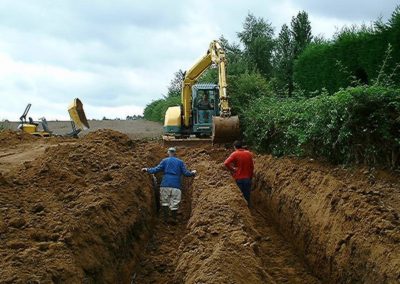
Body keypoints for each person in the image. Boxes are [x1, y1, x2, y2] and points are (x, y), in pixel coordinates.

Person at [142, 147, 196, 223]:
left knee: (164, 202)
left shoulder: (164, 161)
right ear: (175, 153)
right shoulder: (180, 162)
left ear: (168, 153)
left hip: (165, 184)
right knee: (175, 203)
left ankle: (165, 219)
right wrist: (193, 173)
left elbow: (156, 169)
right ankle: (173, 219)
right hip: (176, 185)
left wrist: (147, 169)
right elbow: (186, 173)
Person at [224, 140, 254, 207]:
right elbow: (252, 167)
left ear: (234, 147)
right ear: (242, 146)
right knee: (247, 196)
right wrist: (250, 176)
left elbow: (226, 163)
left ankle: (242, 211)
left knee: (240, 196)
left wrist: (233, 169)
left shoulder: (235, 154)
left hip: (238, 178)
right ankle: (248, 209)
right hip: (247, 178)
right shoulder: (249, 154)